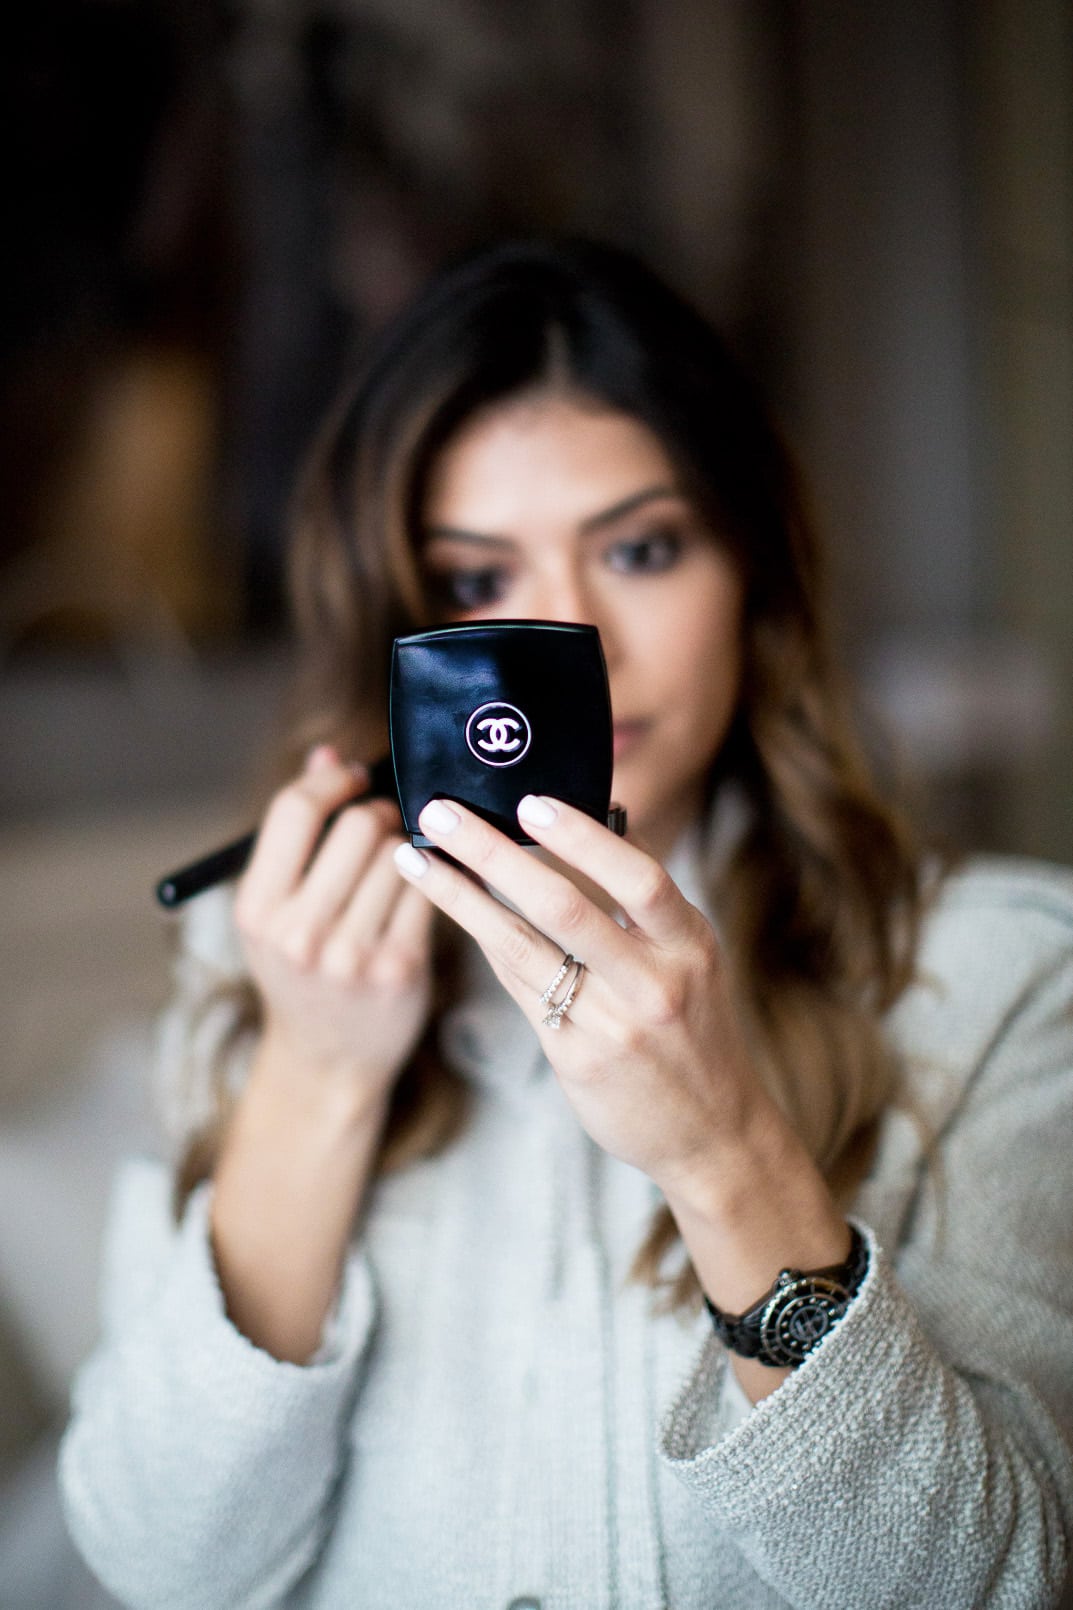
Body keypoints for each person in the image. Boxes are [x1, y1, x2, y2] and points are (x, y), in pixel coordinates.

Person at [59, 239, 1073, 1609]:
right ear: (394, 627)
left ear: (754, 572)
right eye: (478, 581)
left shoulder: (1005, 971)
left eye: (640, 548)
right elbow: (154, 1560)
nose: (570, 637)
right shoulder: (259, 960)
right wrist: (317, 1069)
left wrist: (724, 1148)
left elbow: (1005, 1583)